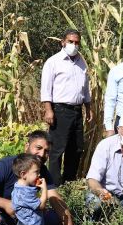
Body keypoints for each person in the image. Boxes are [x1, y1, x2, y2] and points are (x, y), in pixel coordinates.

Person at [0, 130, 76, 225]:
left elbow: (56, 200)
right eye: (38, 148)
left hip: (24, 215)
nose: (42, 154)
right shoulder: (7, 164)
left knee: (56, 219)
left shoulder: (43, 171)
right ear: (27, 146)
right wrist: (6, 204)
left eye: (46, 151)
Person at [40, 29, 93, 186]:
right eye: (70, 41)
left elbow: (85, 89)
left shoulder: (81, 63)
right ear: (63, 42)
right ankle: (54, 186)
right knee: (57, 150)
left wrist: (88, 108)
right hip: (60, 111)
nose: (74, 45)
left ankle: (68, 183)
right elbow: (46, 88)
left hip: (77, 111)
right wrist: (48, 110)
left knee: (76, 149)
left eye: (77, 42)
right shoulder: (53, 62)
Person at [11, 154, 48, 225]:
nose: (39, 175)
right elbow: (41, 205)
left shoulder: (22, 187)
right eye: (36, 172)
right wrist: (44, 189)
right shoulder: (24, 193)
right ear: (23, 174)